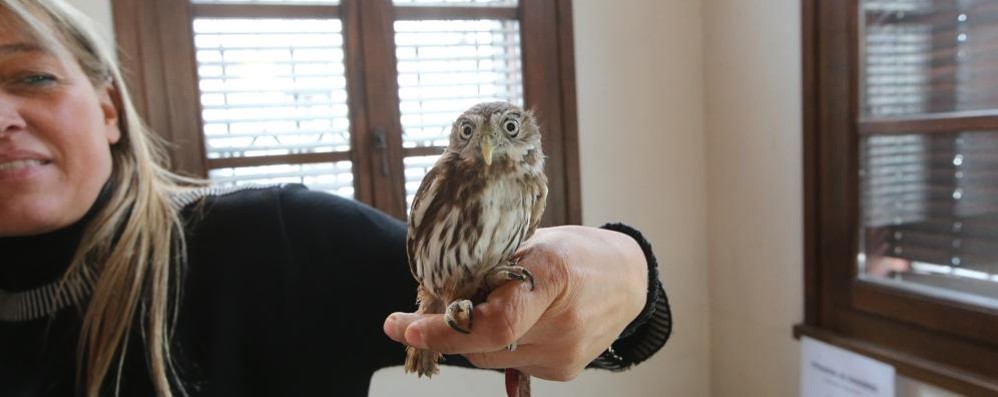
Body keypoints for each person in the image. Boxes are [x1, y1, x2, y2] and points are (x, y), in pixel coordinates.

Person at [0, 0, 672, 396]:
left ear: (110, 107)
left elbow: (489, 308)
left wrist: (622, 268)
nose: (1, 116)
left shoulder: (266, 241)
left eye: (30, 75)